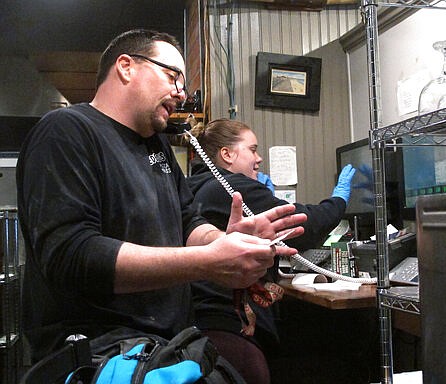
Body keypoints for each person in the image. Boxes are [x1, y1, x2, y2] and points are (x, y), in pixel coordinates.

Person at [16, 29, 307, 367]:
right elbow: (72, 255)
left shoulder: (158, 147)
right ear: (126, 66)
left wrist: (226, 241)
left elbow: (188, 222)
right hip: (97, 354)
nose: (180, 94)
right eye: (172, 77)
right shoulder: (66, 130)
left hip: (167, 344)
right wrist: (207, 262)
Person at [185, 118, 356, 384]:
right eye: (252, 149)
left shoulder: (194, 187)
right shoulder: (232, 187)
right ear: (227, 154)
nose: (259, 158)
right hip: (232, 327)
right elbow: (305, 225)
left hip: (201, 323)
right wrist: (338, 200)